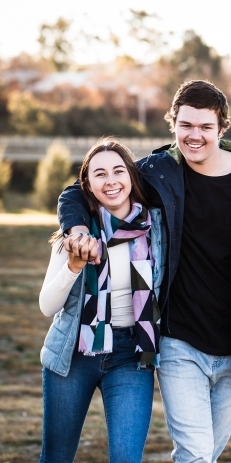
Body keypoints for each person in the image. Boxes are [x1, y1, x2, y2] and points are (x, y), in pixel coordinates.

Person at [58, 80, 231, 463]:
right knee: (196, 454)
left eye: (205, 127)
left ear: (222, 128)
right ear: (173, 124)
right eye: (186, 125)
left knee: (205, 455)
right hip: (179, 342)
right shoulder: (158, 173)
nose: (195, 136)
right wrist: (78, 227)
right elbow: (80, 189)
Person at [39, 137, 166, 463]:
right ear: (88, 185)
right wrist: (74, 265)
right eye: (100, 174)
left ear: (131, 177)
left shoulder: (155, 231)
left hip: (131, 355)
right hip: (73, 355)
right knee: (56, 457)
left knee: (126, 457)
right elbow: (47, 307)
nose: (111, 181)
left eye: (118, 171)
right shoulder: (75, 236)